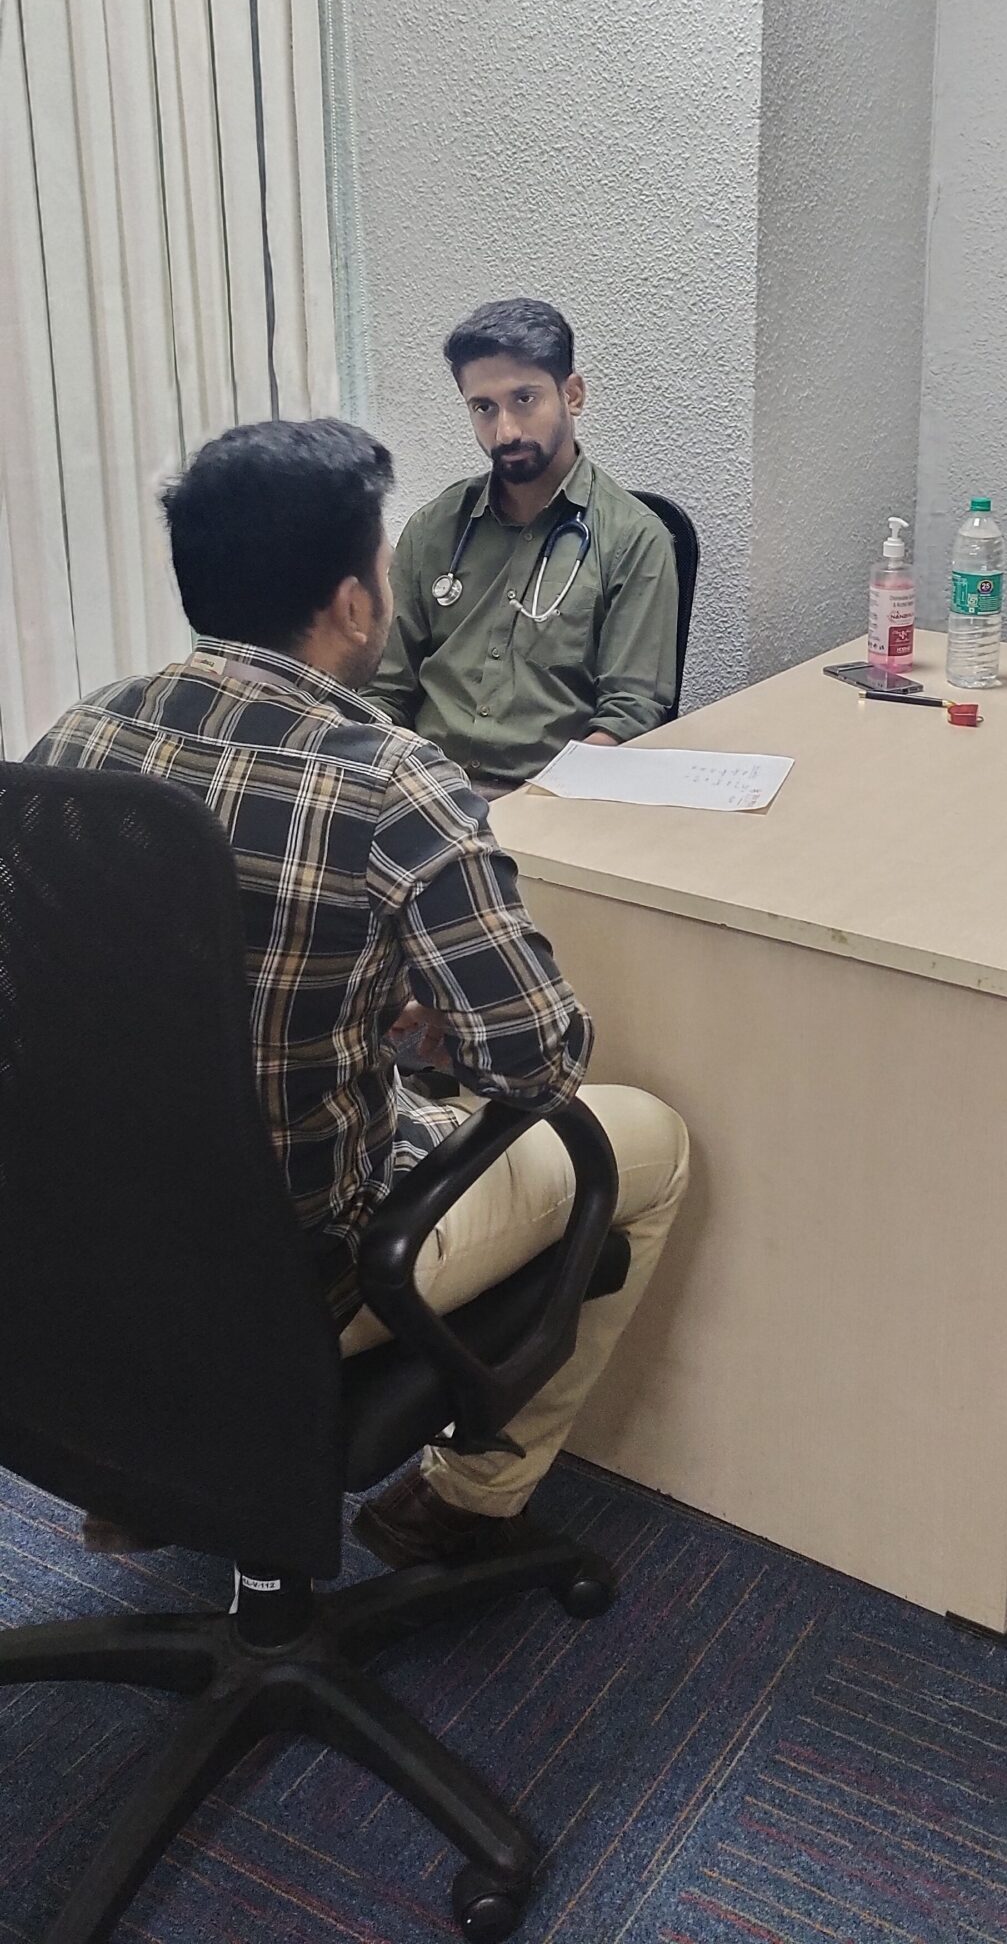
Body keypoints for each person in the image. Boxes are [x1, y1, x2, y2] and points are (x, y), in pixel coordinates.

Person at [28, 417, 688, 1571]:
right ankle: (466, 1497)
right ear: (350, 603)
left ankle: (158, 1470)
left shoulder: (79, 734)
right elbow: (538, 1063)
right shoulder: (391, 783)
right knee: (651, 1141)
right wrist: (432, 1033)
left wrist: (356, 1000)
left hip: (78, 1245)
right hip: (297, 1268)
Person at [368, 298, 679, 794]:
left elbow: (629, 716)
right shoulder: (434, 528)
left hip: (553, 798)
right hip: (423, 789)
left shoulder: (633, 538)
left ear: (572, 395)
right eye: (484, 408)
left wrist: (540, 805)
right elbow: (386, 690)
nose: (505, 430)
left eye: (525, 399)